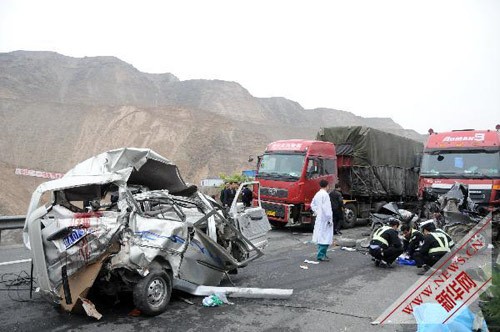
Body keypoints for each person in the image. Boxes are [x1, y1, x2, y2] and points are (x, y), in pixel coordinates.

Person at [311, 179, 334, 262]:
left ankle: (322, 254)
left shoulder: (317, 194)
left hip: (320, 218)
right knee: (325, 237)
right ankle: (321, 255)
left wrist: (317, 212)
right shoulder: (325, 195)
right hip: (325, 219)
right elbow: (327, 209)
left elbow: (312, 204)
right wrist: (329, 219)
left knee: (321, 236)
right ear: (327, 186)